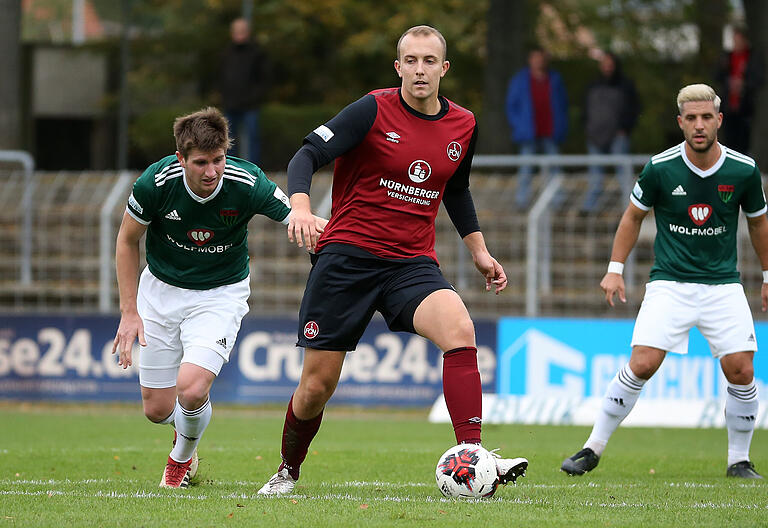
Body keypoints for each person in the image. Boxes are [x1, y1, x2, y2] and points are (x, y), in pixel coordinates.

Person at [257, 25, 528, 496]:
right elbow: (306, 154)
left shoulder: (463, 124)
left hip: (411, 264)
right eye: (411, 61)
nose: (419, 70)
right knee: (317, 387)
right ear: (397, 66)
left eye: (429, 61)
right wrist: (300, 206)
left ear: (444, 69)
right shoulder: (371, 109)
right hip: (347, 258)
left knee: (461, 332)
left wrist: (479, 252)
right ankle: (287, 470)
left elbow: (456, 189)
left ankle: (475, 457)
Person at [561, 84, 768, 479]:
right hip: (669, 283)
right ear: (680, 123)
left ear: (719, 120)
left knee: (741, 370)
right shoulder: (661, 167)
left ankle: (739, 460)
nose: (700, 125)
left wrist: (767, 276)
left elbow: (759, 224)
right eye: (691, 118)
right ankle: (592, 448)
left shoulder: (743, 169)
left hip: (723, 285)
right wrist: (615, 269)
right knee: (642, 363)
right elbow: (632, 217)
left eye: (707, 117)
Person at [111, 107, 325, 489]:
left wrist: (326, 230)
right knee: (157, 410)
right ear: (181, 159)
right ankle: (186, 440)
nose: (212, 172)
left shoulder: (246, 182)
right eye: (200, 163)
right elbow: (127, 241)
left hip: (220, 294)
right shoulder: (156, 183)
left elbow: (299, 217)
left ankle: (180, 460)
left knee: (192, 389)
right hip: (160, 291)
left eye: (218, 160)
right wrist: (129, 312)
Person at [505, 48, 569, 209]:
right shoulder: (520, 79)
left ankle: (557, 200)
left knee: (554, 167)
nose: (538, 61)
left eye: (541, 58)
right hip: (528, 132)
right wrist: (519, 125)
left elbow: (563, 105)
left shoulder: (555, 78)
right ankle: (522, 200)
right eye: (535, 58)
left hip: (550, 130)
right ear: (530, 60)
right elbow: (511, 106)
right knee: (526, 167)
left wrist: (561, 125)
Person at [582, 52, 640, 212]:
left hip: (618, 135)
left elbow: (634, 109)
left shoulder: (625, 85)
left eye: (610, 63)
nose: (607, 67)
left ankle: (630, 206)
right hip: (595, 135)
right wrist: (587, 127)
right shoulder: (593, 85)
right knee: (595, 174)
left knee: (623, 173)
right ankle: (591, 206)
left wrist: (625, 128)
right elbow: (586, 109)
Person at [219, 17, 269, 164]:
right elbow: (220, 77)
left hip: (250, 106)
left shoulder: (257, 53)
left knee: (253, 137)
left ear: (248, 32)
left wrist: (254, 97)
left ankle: (253, 169)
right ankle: (230, 167)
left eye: (242, 31)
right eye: (236, 31)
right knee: (228, 140)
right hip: (230, 104)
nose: (239, 34)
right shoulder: (226, 54)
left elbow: (264, 79)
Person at [715, 25, 764, 155]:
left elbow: (759, 79)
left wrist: (744, 85)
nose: (736, 43)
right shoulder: (727, 57)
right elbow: (717, 76)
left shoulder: (752, 57)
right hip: (728, 105)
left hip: (745, 107)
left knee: (743, 142)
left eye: (738, 40)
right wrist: (729, 82)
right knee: (728, 141)